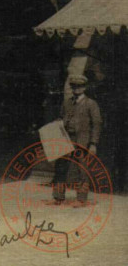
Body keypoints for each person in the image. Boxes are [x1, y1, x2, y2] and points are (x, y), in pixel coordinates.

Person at [51, 75, 102, 207]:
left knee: (82, 169)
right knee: (60, 167)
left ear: (84, 88)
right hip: (66, 139)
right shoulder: (67, 102)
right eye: (74, 86)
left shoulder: (91, 104)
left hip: (83, 141)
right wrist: (58, 123)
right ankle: (58, 197)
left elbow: (97, 124)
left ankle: (81, 199)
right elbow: (61, 117)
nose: (76, 89)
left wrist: (93, 144)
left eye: (79, 86)